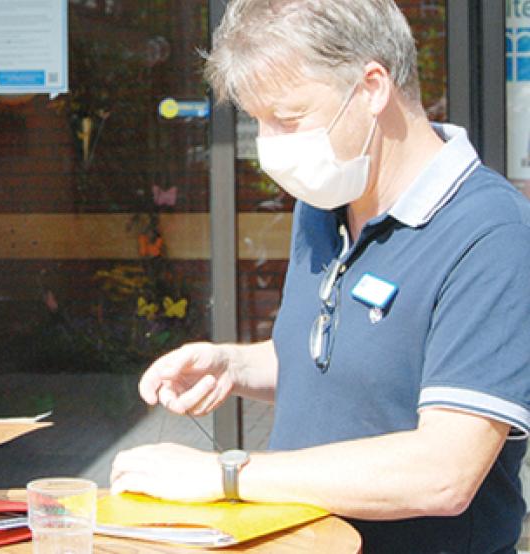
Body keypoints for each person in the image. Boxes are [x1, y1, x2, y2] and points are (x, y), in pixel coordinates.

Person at [110, 1, 530, 552]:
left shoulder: (490, 232)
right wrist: (235, 364)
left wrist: (224, 476)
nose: (271, 147)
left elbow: (445, 471)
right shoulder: (327, 200)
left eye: (287, 119)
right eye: (257, 122)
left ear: (372, 87)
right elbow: (341, 359)